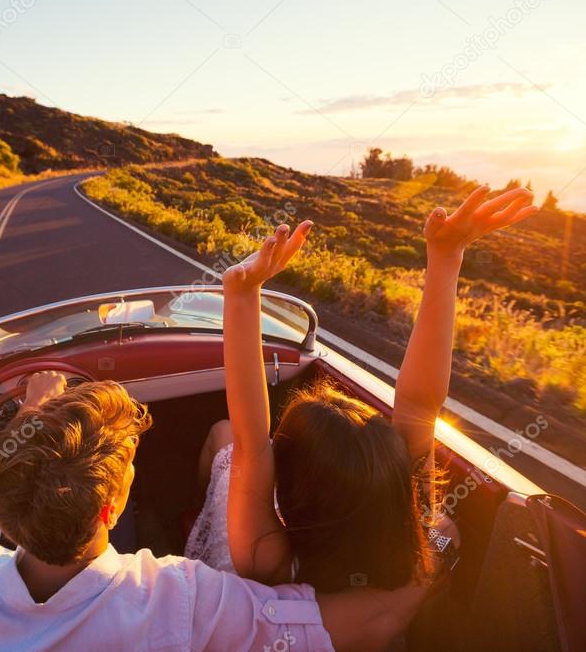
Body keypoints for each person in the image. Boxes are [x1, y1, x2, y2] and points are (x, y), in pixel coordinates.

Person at [0, 372, 443, 652]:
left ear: (3, 509)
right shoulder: (183, 603)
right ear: (112, 508)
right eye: (131, 467)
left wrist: (33, 422)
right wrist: (439, 542)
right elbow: (377, 617)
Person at [185, 185, 538, 592]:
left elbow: (250, 443)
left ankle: (197, 510)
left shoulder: (266, 558)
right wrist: (446, 257)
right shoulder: (415, 539)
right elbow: (419, 404)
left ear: (281, 484)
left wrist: (243, 291)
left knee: (223, 435)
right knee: (443, 526)